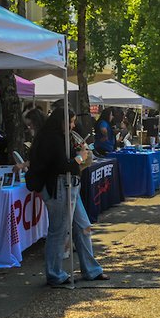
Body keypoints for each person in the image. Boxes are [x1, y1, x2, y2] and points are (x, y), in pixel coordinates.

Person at [29, 107, 105, 285]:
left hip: (69, 187)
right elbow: (63, 165)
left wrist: (79, 155)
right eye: (70, 122)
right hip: (59, 187)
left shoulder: (59, 137)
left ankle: (91, 270)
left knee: (83, 226)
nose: (72, 126)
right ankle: (55, 274)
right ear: (61, 121)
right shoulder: (51, 138)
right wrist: (80, 157)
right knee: (59, 231)